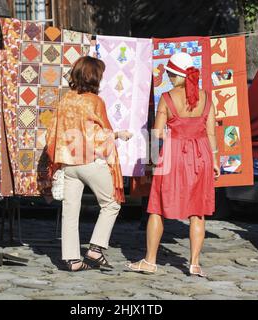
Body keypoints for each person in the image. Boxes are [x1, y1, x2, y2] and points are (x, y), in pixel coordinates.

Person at [127, 52, 220, 277]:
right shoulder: (207, 97)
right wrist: (215, 160)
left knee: (157, 207)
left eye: (170, 73)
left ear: (177, 75)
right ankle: (195, 263)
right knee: (198, 212)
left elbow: (157, 132)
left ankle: (150, 261)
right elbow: (211, 133)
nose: (168, 77)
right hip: (202, 155)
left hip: (174, 154)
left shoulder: (167, 98)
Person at [46, 56, 133, 272]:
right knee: (111, 204)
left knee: (70, 211)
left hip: (68, 163)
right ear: (94, 77)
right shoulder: (95, 102)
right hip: (89, 162)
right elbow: (99, 135)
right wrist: (119, 134)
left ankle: (73, 259)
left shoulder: (64, 100)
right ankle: (95, 248)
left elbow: (53, 133)